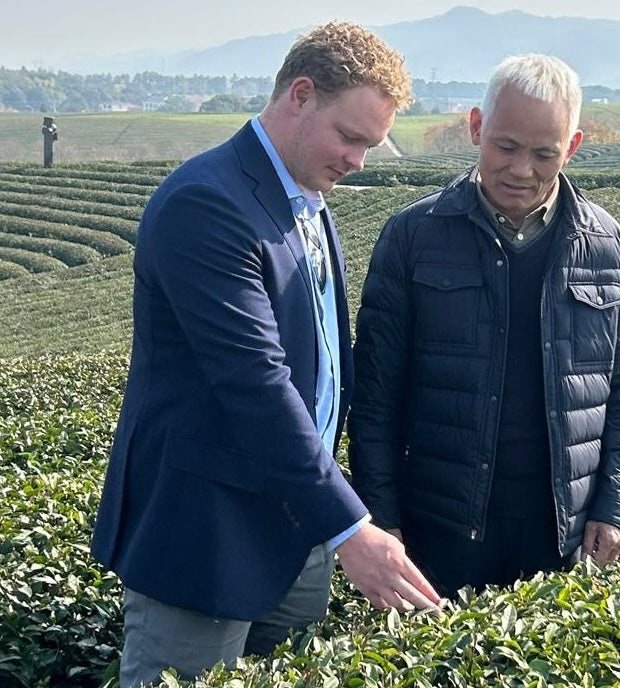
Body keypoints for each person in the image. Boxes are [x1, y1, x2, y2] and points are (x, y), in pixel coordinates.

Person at [90, 22, 440, 688]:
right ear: (300, 96)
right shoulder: (206, 202)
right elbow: (256, 383)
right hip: (208, 533)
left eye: (370, 144)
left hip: (296, 528)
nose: (358, 160)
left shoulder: (307, 198)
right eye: (350, 137)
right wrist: (349, 528)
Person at [348, 54, 620, 598]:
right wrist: (382, 517)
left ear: (572, 147)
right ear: (476, 127)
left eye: (544, 154)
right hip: (440, 536)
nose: (521, 169)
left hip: (562, 538)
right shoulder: (413, 236)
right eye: (506, 147)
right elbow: (375, 395)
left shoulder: (604, 243)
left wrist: (614, 508)